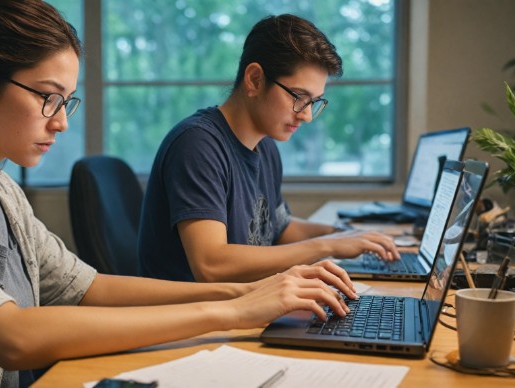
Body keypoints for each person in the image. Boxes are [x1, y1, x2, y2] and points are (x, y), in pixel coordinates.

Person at [0, 1, 359, 387]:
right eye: (46, 96)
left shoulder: (3, 193)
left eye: (67, 100)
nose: (61, 120)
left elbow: (91, 288)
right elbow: (9, 337)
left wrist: (251, 293)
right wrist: (232, 310)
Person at [138, 14, 400, 283]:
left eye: (315, 101)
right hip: (197, 317)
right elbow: (210, 265)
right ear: (254, 79)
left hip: (244, 304)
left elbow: (279, 228)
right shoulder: (197, 145)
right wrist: (328, 245)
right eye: (299, 97)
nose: (307, 115)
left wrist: (342, 233)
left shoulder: (266, 146)